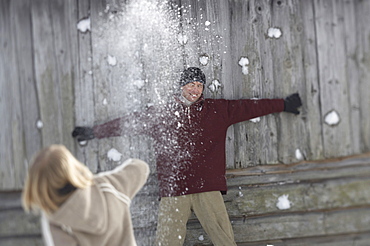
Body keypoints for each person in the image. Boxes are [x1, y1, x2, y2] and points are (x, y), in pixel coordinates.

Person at [72, 67, 302, 245]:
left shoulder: (217, 110)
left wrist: (283, 104)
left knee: (224, 239)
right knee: (167, 241)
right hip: (174, 190)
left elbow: (249, 107)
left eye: (199, 85)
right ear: (182, 86)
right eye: (191, 84)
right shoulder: (162, 114)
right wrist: (94, 132)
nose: (195, 89)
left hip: (207, 188)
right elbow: (129, 123)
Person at [22, 144, 149, 246]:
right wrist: (95, 180)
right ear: (73, 167)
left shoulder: (57, 223)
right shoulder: (108, 185)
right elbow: (141, 168)